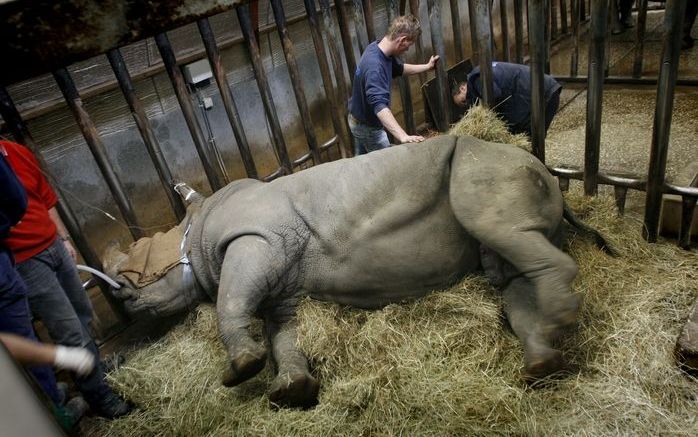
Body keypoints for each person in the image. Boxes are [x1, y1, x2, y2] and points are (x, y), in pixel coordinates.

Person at [1, 139, 132, 419]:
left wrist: (64, 238)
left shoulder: (15, 151)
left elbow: (46, 198)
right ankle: (98, 396)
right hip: (25, 261)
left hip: (53, 246)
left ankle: (95, 368)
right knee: (69, 330)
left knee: (83, 312)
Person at [348, 14, 439, 155]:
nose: (407, 50)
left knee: (362, 160)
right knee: (388, 165)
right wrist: (403, 136)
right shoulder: (375, 67)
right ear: (402, 40)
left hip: (358, 120)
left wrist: (427, 67)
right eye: (408, 46)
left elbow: (399, 68)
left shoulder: (377, 48)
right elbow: (380, 107)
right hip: (368, 128)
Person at [451, 61, 562, 137]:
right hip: (544, 89)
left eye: (463, 101)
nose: (469, 104)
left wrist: (486, 119)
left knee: (531, 136)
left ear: (462, 88)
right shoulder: (480, 71)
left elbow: (495, 96)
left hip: (543, 94)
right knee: (529, 135)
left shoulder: (476, 79)